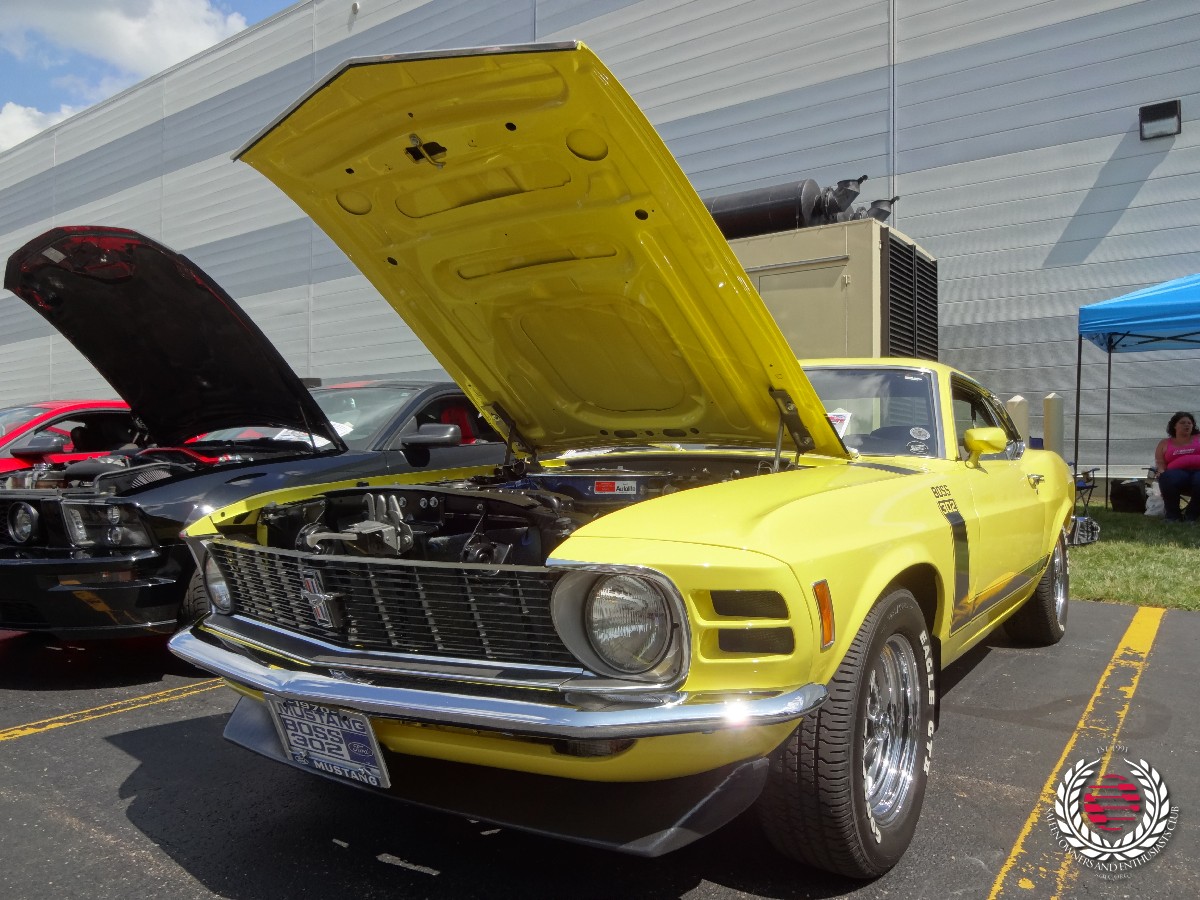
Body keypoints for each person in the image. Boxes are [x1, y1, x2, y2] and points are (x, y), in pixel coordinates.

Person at [1154, 411, 1200, 522]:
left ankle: (1191, 515)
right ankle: (1173, 516)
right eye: (1182, 423)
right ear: (1174, 426)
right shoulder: (1165, 443)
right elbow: (1160, 462)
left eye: (1189, 423)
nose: (1186, 425)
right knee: (1167, 477)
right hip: (1177, 473)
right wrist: (1161, 471)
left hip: (1198, 471)